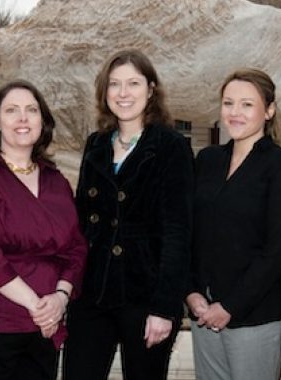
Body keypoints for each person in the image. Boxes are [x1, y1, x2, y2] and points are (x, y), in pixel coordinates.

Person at [62, 49, 194, 380]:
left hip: (146, 295)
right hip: (93, 293)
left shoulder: (171, 146)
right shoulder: (96, 144)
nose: (123, 94)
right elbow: (82, 224)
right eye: (115, 84)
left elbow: (178, 232)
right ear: (104, 92)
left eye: (133, 83)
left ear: (151, 90)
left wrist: (165, 307)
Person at [0, 79, 87, 380]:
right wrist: (38, 306)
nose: (23, 118)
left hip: (41, 329)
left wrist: (60, 299)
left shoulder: (56, 182)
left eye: (31, 110)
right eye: (11, 110)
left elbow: (75, 247)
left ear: (42, 121)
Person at [186, 68, 281, 380]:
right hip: (204, 314)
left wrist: (231, 306)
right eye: (228, 103)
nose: (235, 113)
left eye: (247, 104)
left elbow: (277, 250)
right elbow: (193, 235)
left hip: (254, 317)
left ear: (269, 110)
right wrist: (191, 291)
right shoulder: (207, 160)